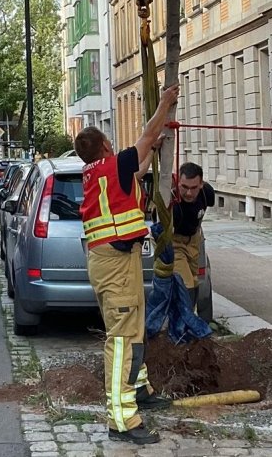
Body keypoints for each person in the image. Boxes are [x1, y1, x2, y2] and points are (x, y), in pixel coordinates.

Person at [75, 83, 179, 446]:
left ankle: (139, 388)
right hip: (115, 262)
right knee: (121, 339)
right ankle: (121, 418)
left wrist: (155, 146)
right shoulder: (113, 165)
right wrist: (165, 101)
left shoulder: (103, 173)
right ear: (105, 146)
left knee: (132, 328)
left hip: (115, 259)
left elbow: (139, 165)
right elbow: (146, 136)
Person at [170, 162, 215, 311]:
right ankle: (183, 323)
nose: (189, 193)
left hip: (194, 239)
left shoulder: (207, 193)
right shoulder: (171, 199)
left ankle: (190, 321)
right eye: (184, 187)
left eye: (193, 188)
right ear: (178, 183)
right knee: (185, 285)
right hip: (175, 242)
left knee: (195, 282)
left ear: (201, 184)